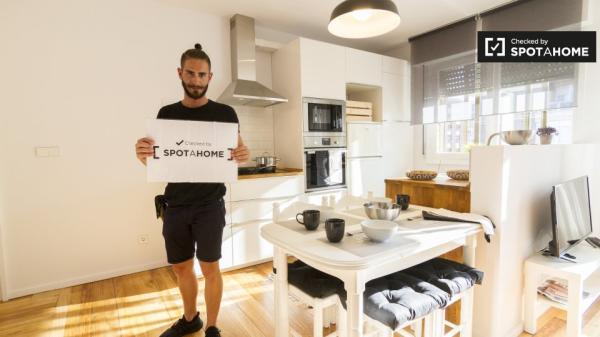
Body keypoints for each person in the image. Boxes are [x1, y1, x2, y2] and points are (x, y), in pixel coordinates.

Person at [135, 43, 249, 337]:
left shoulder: (226, 113)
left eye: (202, 75)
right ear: (180, 73)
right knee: (182, 268)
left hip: (210, 204)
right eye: (190, 73)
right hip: (175, 205)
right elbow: (156, 162)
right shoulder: (166, 113)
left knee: (211, 268)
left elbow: (238, 150)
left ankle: (211, 326)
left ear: (210, 76)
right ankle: (191, 319)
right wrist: (142, 155)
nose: (196, 80)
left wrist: (243, 154)